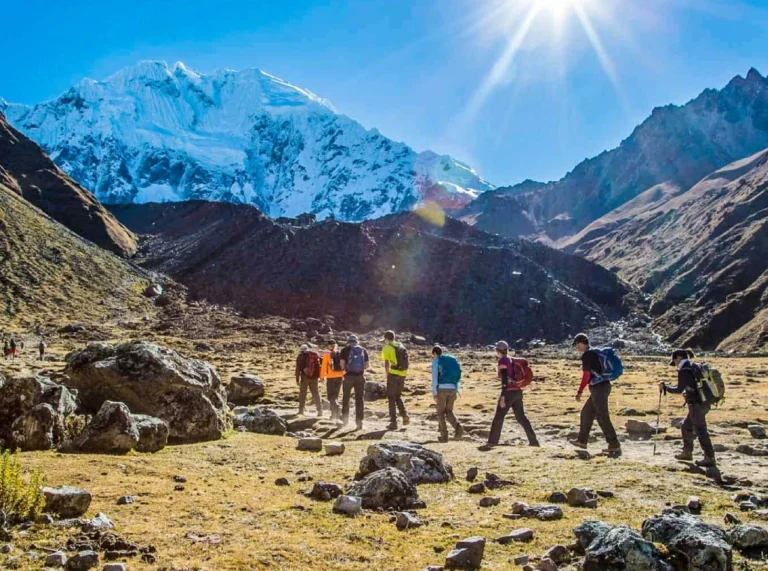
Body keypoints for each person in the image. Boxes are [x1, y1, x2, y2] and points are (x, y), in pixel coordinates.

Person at [660, 349, 716, 467]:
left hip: (695, 404)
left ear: (679, 358)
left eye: (674, 361)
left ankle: (709, 457)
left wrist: (665, 387)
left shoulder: (684, 370)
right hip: (704, 402)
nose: (675, 364)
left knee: (701, 430)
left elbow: (679, 389)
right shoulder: (694, 367)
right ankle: (687, 452)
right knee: (686, 426)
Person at [569, 333, 622, 456]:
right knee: (586, 413)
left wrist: (580, 391)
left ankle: (614, 444)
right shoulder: (593, 353)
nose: (577, 348)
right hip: (601, 387)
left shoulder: (587, 355)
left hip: (599, 388)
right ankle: (582, 441)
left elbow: (586, 376)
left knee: (602, 416)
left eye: (577, 345)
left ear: (582, 343)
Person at [485, 341, 539, 449]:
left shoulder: (503, 361)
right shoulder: (510, 359)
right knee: (521, 418)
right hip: (517, 392)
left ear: (498, 350)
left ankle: (492, 441)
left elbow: (504, 378)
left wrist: (503, 395)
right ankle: (534, 441)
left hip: (508, 392)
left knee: (499, 417)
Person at [431, 345, 464, 442]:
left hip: (442, 389)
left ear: (435, 353)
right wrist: (456, 390)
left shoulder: (436, 362)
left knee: (440, 413)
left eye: (433, 355)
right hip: (453, 388)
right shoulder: (451, 361)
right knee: (449, 411)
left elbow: (434, 379)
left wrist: (434, 393)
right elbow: (457, 378)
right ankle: (458, 427)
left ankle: (444, 435)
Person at [381, 330, 410, 430]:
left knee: (391, 398)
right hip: (403, 374)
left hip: (393, 374)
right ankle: (405, 415)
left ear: (386, 339)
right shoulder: (400, 345)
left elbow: (386, 363)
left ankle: (393, 422)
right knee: (398, 396)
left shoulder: (387, 347)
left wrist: (387, 374)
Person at [340, 334, 370, 430]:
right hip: (360, 377)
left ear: (348, 341)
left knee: (346, 398)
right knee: (359, 399)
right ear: (357, 341)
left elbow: (342, 365)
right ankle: (359, 422)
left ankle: (345, 420)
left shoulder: (344, 350)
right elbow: (367, 366)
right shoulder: (363, 350)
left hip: (348, 377)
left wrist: (345, 369)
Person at [295, 344, 323, 417]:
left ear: (301, 350)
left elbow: (298, 369)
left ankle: (301, 411)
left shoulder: (300, 356)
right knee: (316, 394)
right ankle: (320, 411)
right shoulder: (314, 355)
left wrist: (297, 379)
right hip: (315, 377)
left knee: (303, 393)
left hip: (305, 377)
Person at [321, 339, 345, 422]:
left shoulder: (327, 353)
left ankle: (337, 410)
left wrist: (322, 376)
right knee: (336, 396)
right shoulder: (340, 353)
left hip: (331, 377)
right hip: (340, 376)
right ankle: (334, 415)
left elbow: (324, 365)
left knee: (331, 396)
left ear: (328, 345)